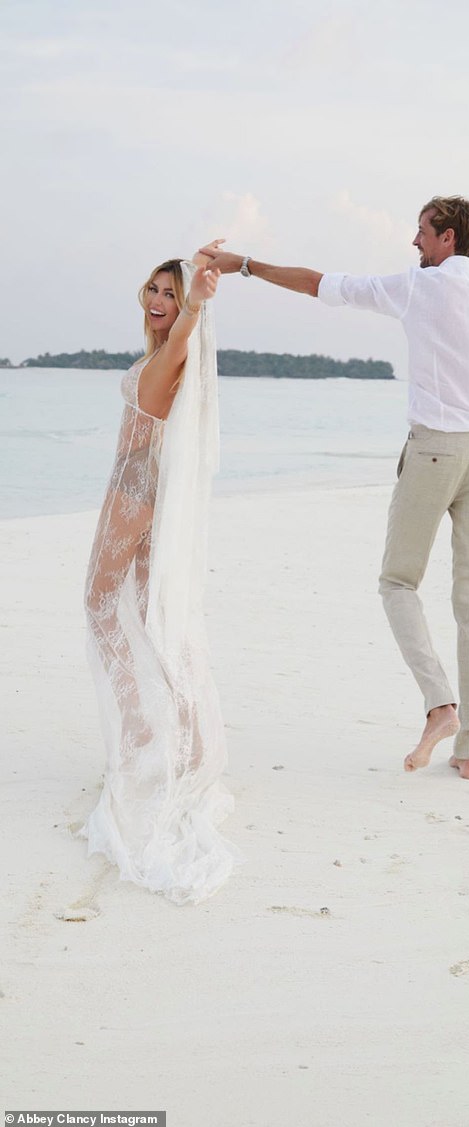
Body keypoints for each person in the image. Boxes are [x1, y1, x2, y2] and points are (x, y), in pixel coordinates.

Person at [200, 197, 469, 780]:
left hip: (435, 450)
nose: (413, 241)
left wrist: (246, 265)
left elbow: (318, 284)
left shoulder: (415, 288)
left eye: (422, 232)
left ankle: (440, 705)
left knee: (397, 581)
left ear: (448, 238)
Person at [81, 244, 241, 903]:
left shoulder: (175, 347)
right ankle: (186, 735)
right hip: (148, 490)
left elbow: (187, 328)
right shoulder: (160, 351)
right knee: (148, 613)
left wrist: (198, 293)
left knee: (98, 604)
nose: (156, 300)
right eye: (151, 287)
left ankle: (142, 724)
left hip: (133, 489)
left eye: (167, 294)